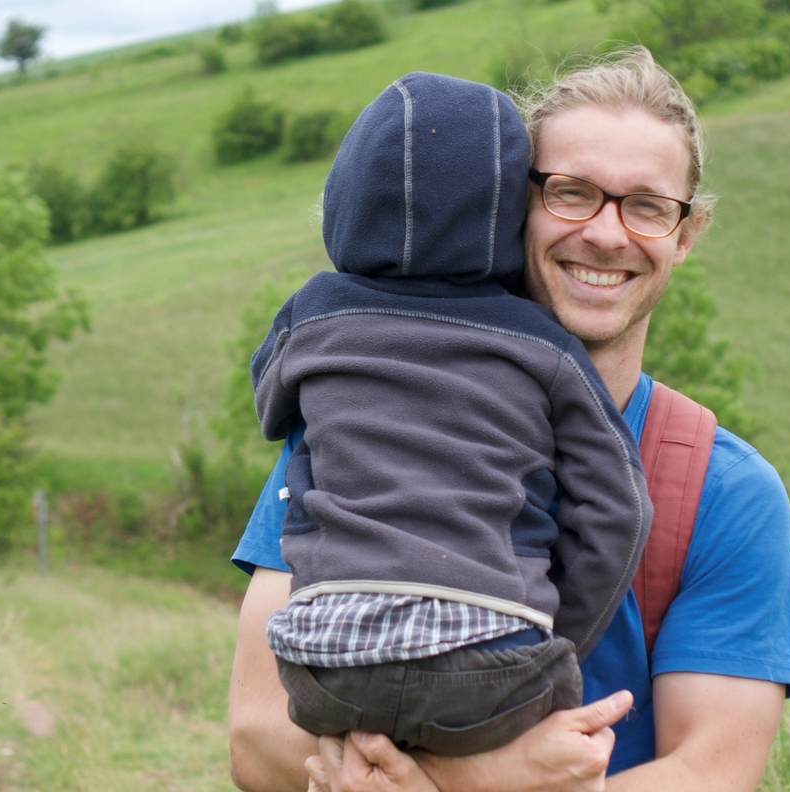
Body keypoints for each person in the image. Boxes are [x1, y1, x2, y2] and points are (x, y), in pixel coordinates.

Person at [229, 46, 790, 792]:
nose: (605, 232)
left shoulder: (725, 492)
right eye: (570, 193)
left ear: (685, 235)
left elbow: (712, 773)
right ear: (508, 209)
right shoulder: (354, 432)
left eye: (647, 206)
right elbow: (254, 739)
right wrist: (505, 774)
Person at [251, 71, 651, 757]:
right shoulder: (540, 342)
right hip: (494, 668)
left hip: (323, 670)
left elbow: (269, 410)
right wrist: (551, 636)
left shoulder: (311, 315)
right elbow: (622, 510)